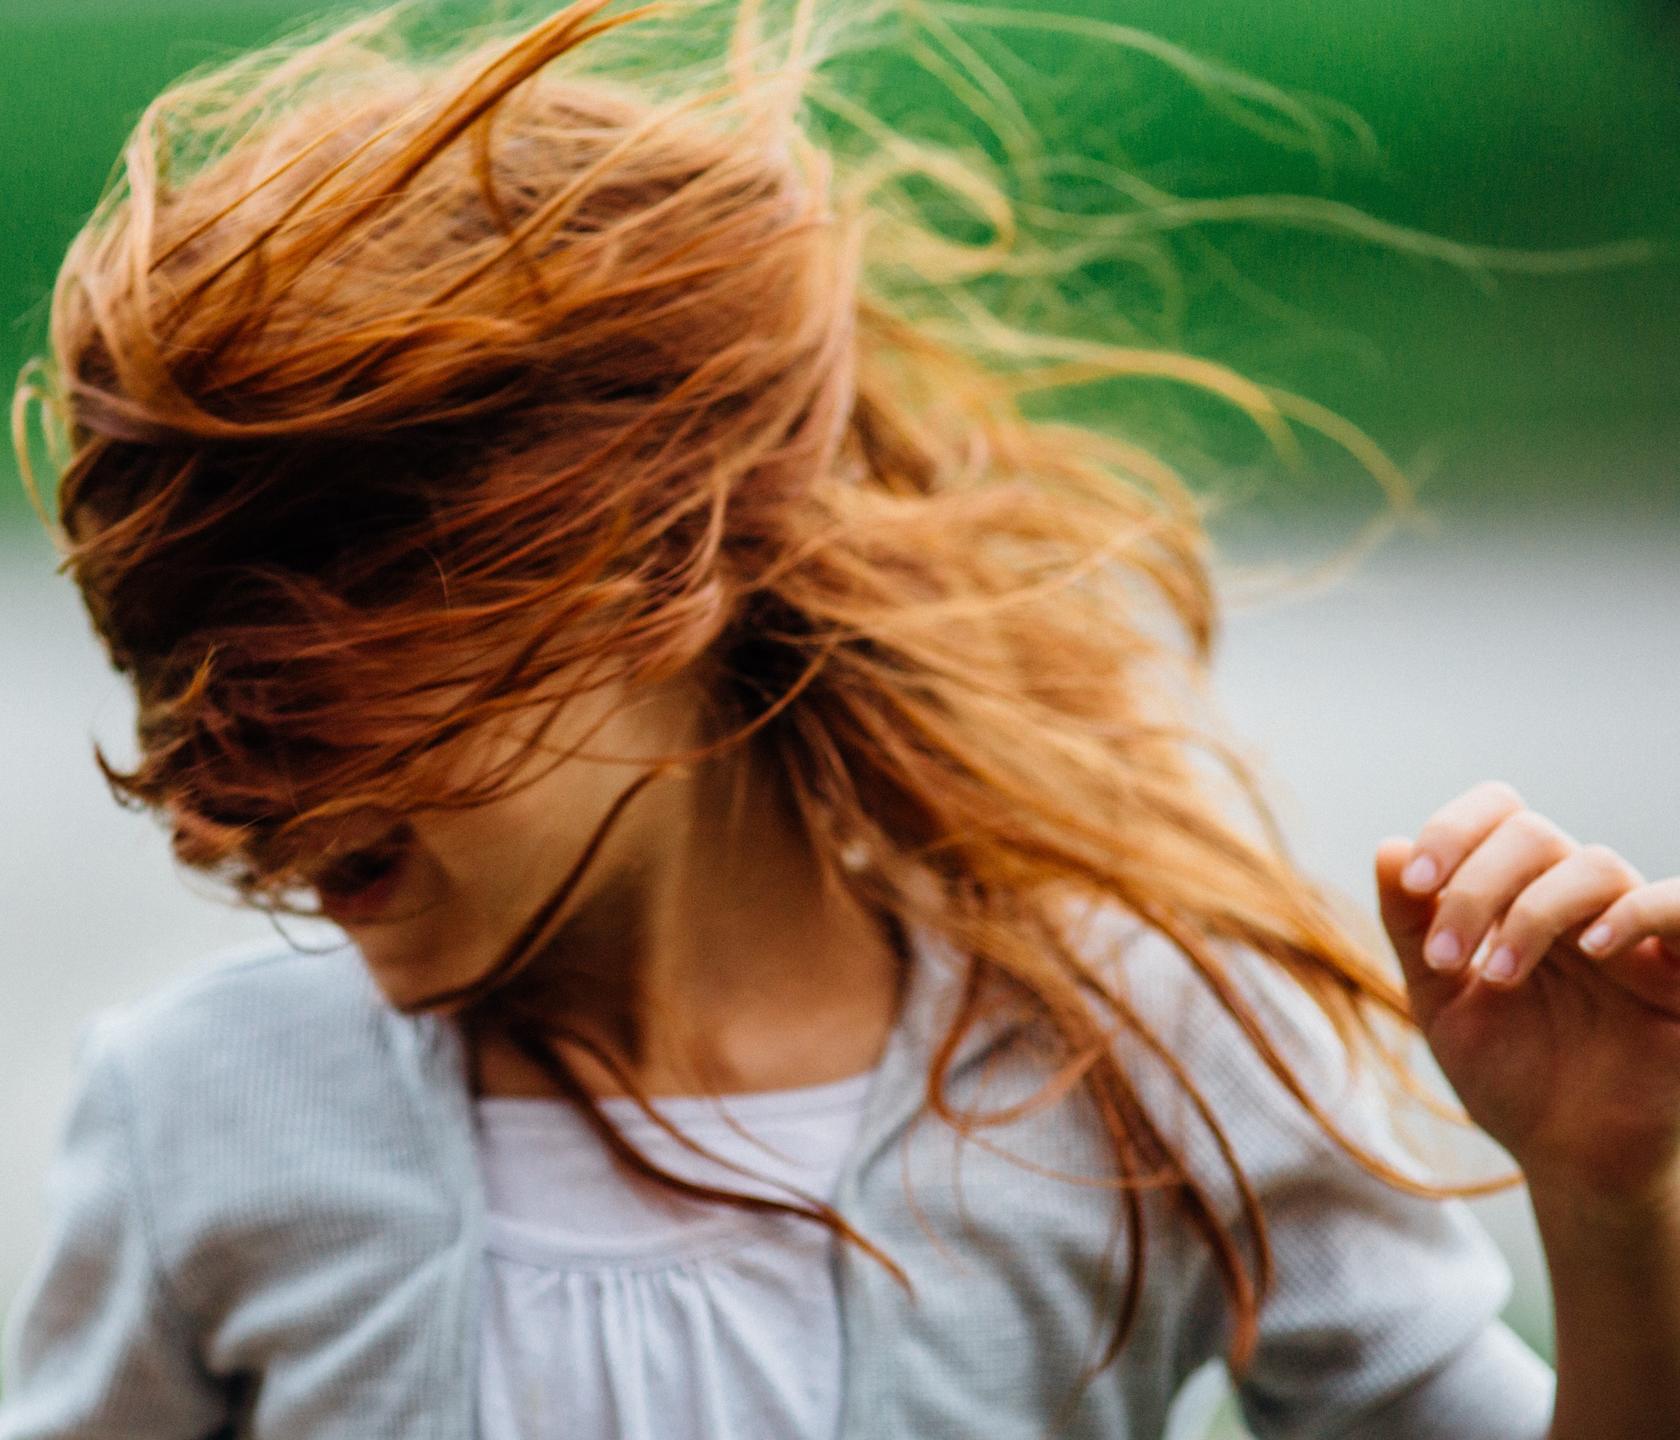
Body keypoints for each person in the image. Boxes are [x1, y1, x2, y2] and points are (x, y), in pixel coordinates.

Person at [3, 1, 1677, 1436]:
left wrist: (1610, 1198)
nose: (212, 799)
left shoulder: (1138, 1057)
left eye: (308, 684)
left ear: (658, 561)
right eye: (166, 674)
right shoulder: (201, 1114)